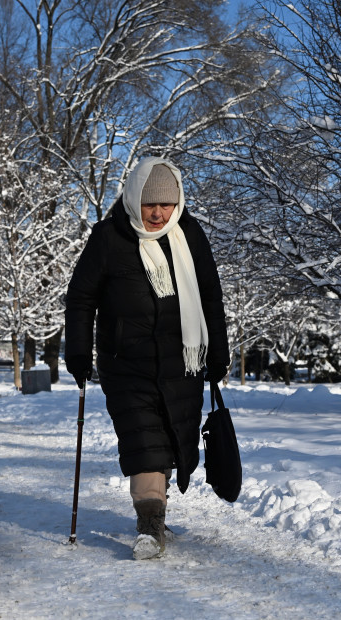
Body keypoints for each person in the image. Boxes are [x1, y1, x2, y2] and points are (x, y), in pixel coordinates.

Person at [65, 157, 229, 560]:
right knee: (145, 441)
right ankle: (150, 525)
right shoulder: (109, 237)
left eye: (167, 204)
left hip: (182, 362)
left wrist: (219, 349)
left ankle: (156, 511)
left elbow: (210, 295)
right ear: (134, 197)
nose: (158, 213)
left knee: (173, 439)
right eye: (150, 204)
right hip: (127, 363)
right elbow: (81, 298)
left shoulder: (190, 236)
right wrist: (77, 351)